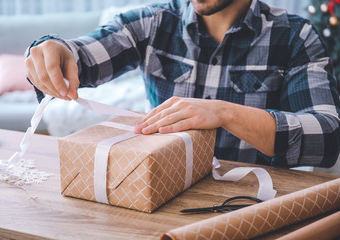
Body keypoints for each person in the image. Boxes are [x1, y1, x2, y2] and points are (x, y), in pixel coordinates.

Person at [25, 0, 340, 168]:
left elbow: (327, 136)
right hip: (161, 193)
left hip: (250, 206)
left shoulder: (296, 36)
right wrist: (54, 49)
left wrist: (225, 113)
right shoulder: (154, 21)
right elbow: (80, 55)